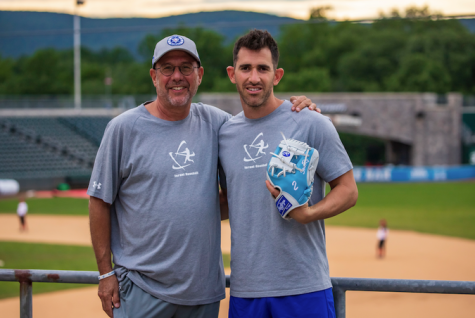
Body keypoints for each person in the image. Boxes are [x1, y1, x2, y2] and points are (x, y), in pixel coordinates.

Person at [88, 34, 318, 318]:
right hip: (140, 290)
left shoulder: (218, 124)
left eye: (186, 67)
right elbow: (99, 201)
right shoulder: (123, 129)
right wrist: (105, 273)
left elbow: (262, 124)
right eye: (167, 68)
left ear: (199, 75)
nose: (177, 76)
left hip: (203, 294)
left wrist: (298, 109)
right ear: (153, 76)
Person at [218, 29, 358, 317]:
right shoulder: (224, 134)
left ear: (277, 75)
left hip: (304, 288)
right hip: (246, 292)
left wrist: (308, 213)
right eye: (245, 68)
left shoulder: (310, 122)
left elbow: (348, 190)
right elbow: (228, 201)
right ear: (232, 74)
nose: (253, 77)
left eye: (262, 69)